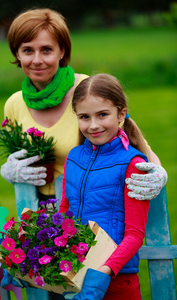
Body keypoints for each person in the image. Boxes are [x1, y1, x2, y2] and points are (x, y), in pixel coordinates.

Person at [0, 7, 167, 204]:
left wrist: (158, 172)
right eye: (28, 50)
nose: (37, 60)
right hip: (38, 211)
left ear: (62, 51)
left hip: (95, 204)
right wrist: (10, 169)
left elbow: (135, 139)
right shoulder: (14, 104)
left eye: (46, 50)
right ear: (17, 54)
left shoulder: (88, 91)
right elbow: (18, 157)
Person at [58, 73, 163, 300]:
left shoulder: (132, 164)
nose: (93, 125)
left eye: (102, 115)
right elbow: (64, 212)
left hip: (117, 279)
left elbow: (134, 234)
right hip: (77, 274)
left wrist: (103, 271)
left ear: (121, 113)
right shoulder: (74, 157)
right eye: (84, 117)